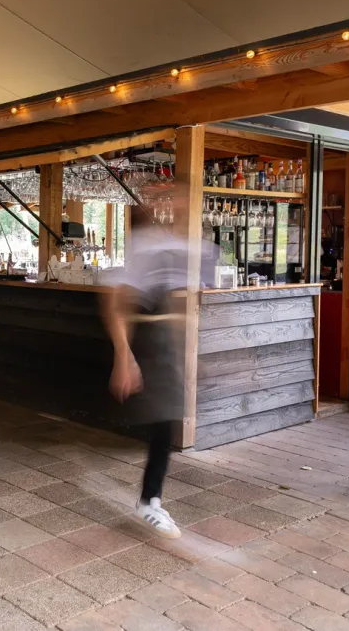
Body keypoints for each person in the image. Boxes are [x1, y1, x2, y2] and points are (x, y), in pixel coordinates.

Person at [102, 187, 213, 540]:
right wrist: (124, 356)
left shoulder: (191, 249)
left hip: (164, 344)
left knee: (166, 422)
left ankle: (151, 499)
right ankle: (149, 501)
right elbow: (116, 304)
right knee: (163, 422)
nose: (177, 207)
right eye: (172, 201)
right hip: (147, 342)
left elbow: (183, 303)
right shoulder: (147, 245)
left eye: (184, 202)